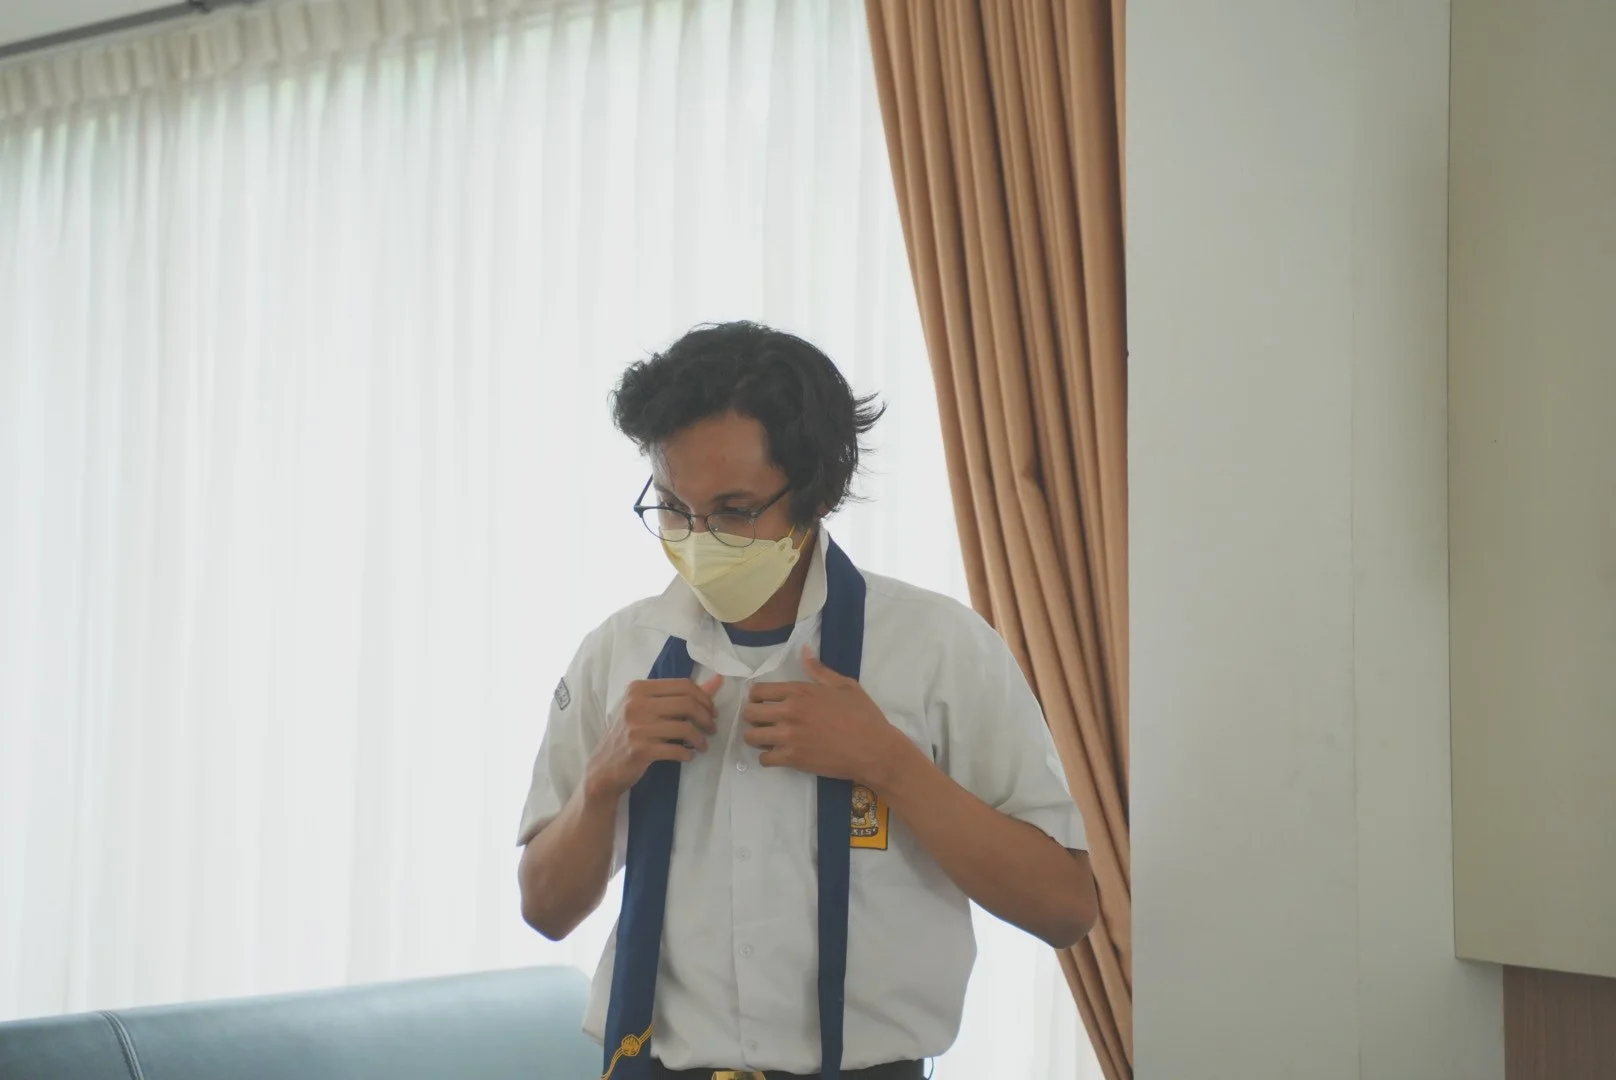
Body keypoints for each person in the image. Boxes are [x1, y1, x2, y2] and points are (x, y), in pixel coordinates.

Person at [516, 322, 1097, 1080]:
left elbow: (1064, 908)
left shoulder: (939, 649)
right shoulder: (616, 653)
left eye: (733, 510)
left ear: (819, 492)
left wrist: (890, 764)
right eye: (672, 507)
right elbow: (546, 910)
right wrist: (601, 782)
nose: (697, 539)